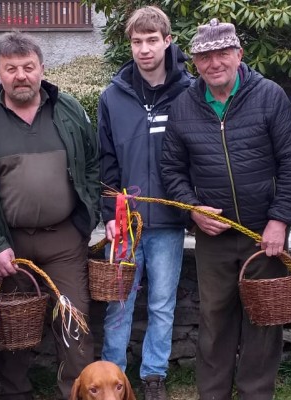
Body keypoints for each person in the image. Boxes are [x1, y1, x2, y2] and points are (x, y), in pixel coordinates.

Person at [160, 19, 291, 400]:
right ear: (194, 63)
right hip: (215, 237)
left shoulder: (270, 95)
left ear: (239, 55)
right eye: (205, 56)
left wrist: (280, 220)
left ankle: (256, 393)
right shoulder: (183, 107)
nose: (214, 63)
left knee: (262, 318)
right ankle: (213, 394)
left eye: (222, 53)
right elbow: (171, 170)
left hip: (264, 234)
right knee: (215, 320)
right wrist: (192, 209)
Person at [0, 32, 100, 400]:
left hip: (65, 239)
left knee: (75, 323)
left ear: (41, 70)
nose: (21, 75)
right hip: (8, 245)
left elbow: (93, 165)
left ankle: (75, 393)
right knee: (11, 327)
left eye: (28, 67)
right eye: (11, 68)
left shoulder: (68, 110)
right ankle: (17, 393)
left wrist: (90, 216)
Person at [97, 6, 193, 400]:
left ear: (167, 41)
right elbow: (105, 158)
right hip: (126, 223)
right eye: (137, 41)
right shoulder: (113, 96)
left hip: (168, 222)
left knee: (161, 303)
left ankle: (154, 375)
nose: (144, 49)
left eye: (152, 40)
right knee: (118, 304)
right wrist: (109, 214)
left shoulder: (189, 92)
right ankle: (111, 375)